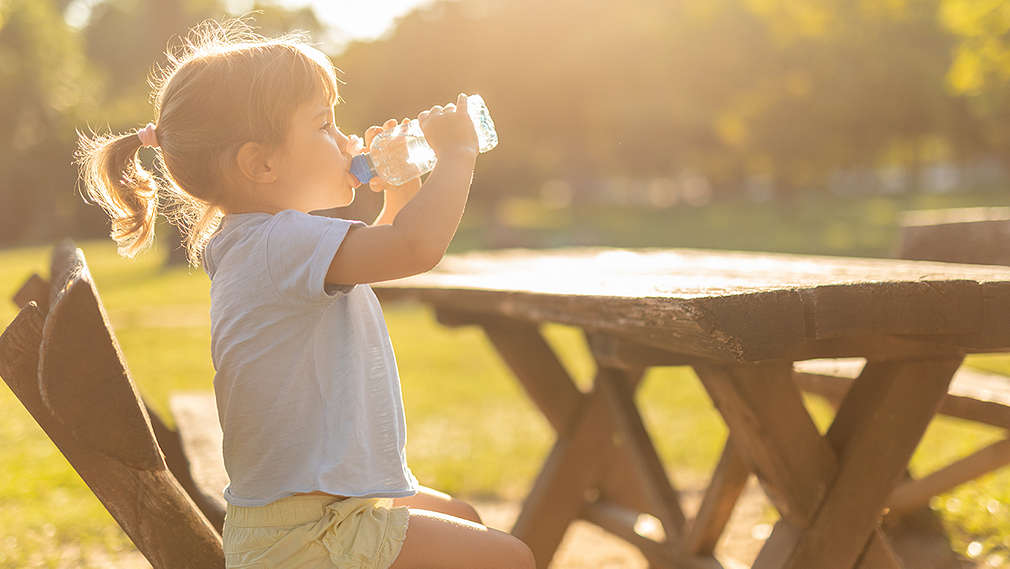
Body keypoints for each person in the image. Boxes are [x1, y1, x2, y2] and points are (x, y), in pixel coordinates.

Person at [74, 17, 535, 569]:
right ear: (260, 163)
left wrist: (404, 191)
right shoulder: (280, 243)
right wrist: (457, 154)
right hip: (312, 537)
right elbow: (416, 248)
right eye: (324, 124)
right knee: (509, 559)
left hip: (304, 518)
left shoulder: (261, 242)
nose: (347, 140)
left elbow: (393, 247)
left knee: (463, 515)